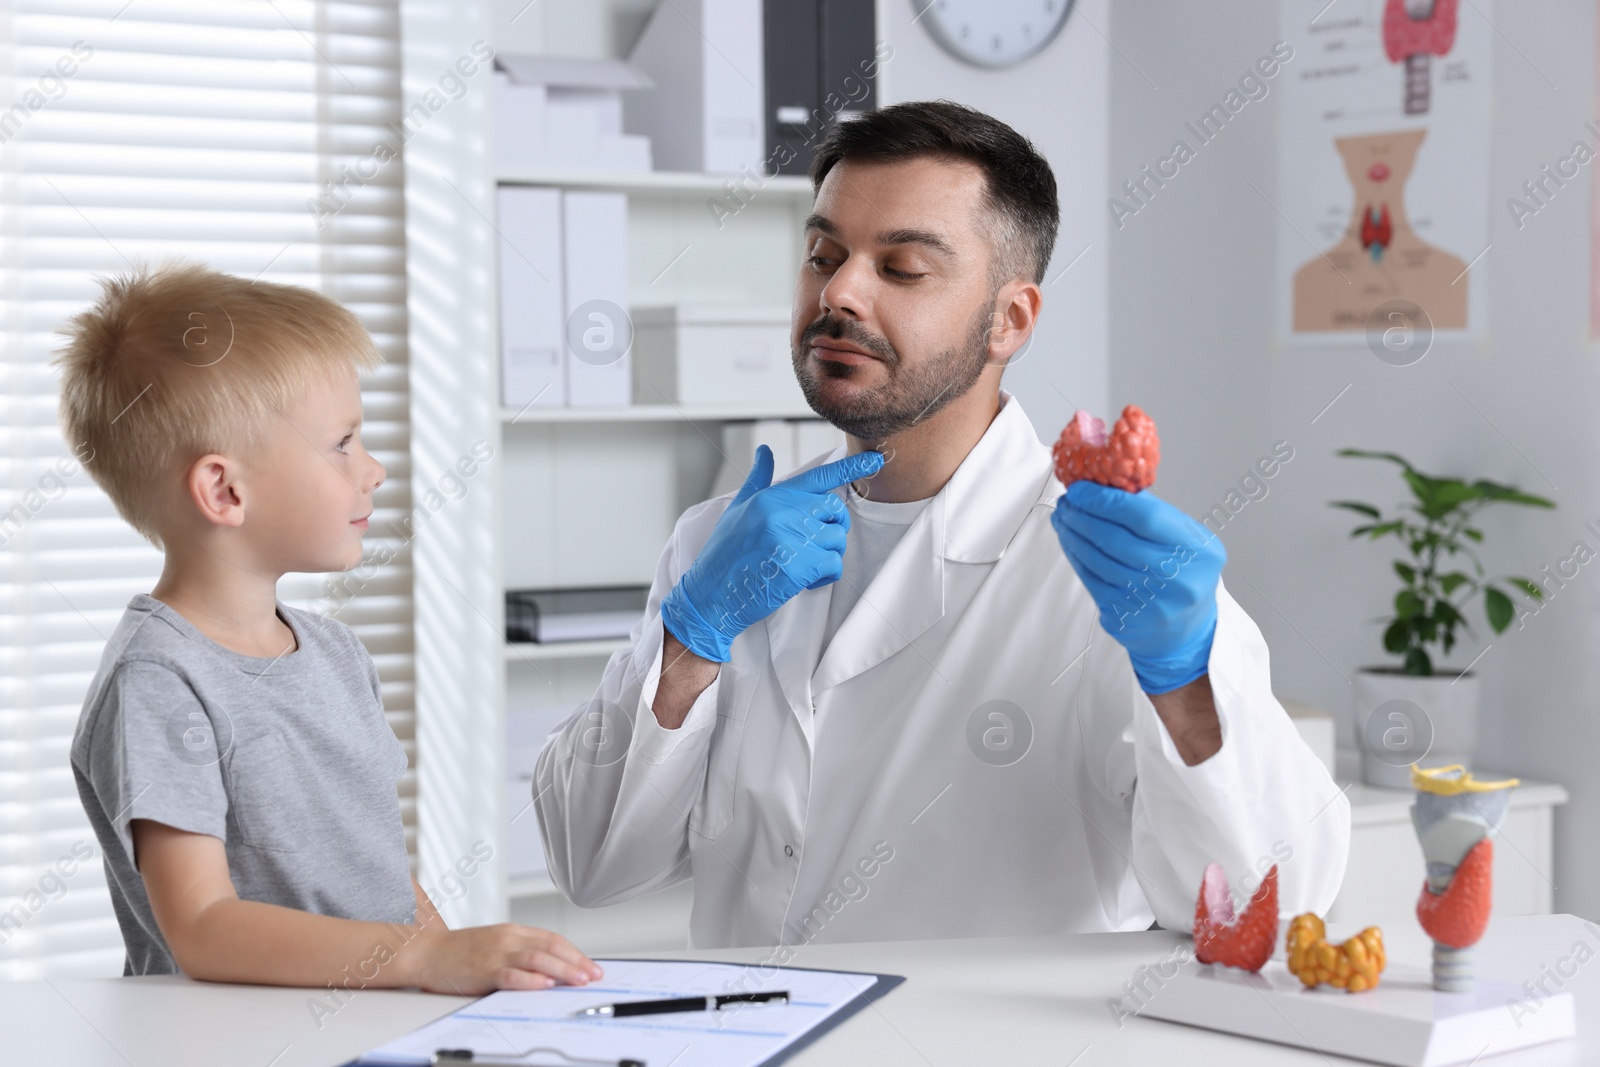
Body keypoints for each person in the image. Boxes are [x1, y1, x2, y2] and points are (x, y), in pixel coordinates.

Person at [535, 101, 1350, 949]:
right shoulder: (720, 545)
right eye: (824, 256)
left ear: (1012, 320)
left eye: (902, 268)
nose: (840, 291)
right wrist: (690, 640)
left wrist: (1182, 679)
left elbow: (1271, 909)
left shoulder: (1106, 579)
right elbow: (589, 862)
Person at [58, 263, 601, 992]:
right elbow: (203, 926)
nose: (373, 469)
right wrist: (423, 960)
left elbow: (378, 874)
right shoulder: (158, 680)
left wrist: (461, 973)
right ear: (224, 489)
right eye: (342, 442)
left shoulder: (336, 653)